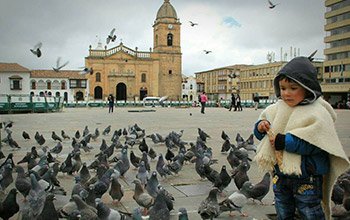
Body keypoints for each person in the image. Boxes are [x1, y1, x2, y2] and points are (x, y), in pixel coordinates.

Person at [253, 56, 350, 220]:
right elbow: (260, 133)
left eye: (293, 88)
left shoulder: (317, 112)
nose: (286, 93)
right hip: (281, 173)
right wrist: (261, 126)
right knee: (282, 208)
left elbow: (315, 142)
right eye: (282, 88)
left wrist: (284, 142)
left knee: (309, 211)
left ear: (307, 88)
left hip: (307, 176)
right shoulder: (276, 109)